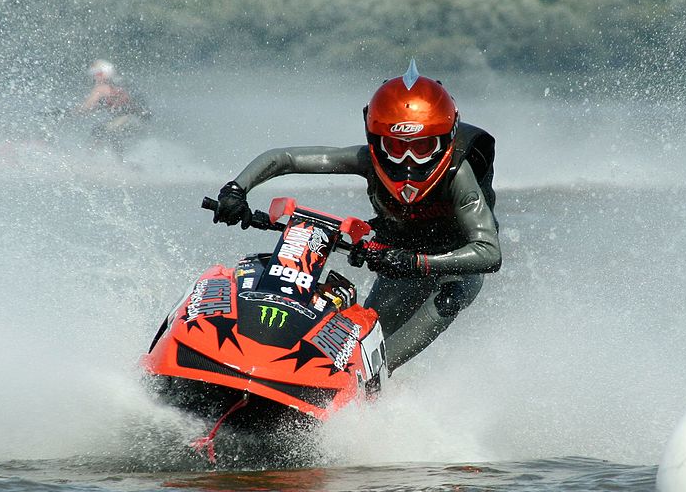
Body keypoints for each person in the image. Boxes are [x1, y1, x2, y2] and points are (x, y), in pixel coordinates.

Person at [212, 60, 502, 373]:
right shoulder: (366, 160)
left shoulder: (460, 176)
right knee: (366, 332)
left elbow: (489, 252)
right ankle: (284, 358)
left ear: (446, 140)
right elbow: (285, 158)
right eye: (395, 147)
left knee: (449, 297)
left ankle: (373, 377)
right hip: (396, 251)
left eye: (422, 148)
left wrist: (419, 262)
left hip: (455, 259)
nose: (408, 161)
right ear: (375, 141)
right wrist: (235, 190)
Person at [76, 59, 150, 156]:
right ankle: (122, 162)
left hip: (132, 119)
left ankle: (88, 158)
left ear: (105, 73)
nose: (95, 77)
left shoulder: (103, 88)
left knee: (100, 131)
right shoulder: (121, 82)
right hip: (142, 120)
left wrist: (59, 113)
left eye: (97, 74)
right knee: (111, 133)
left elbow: (85, 108)